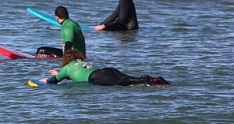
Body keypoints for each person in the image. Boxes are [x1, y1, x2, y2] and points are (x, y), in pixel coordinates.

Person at [38, 49, 169, 86]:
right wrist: (61, 73)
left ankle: (147, 80)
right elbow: (78, 75)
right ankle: (153, 80)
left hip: (97, 77)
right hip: (106, 70)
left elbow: (54, 81)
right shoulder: (79, 63)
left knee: (123, 83)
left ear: (67, 60)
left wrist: (48, 80)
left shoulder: (67, 67)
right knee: (127, 79)